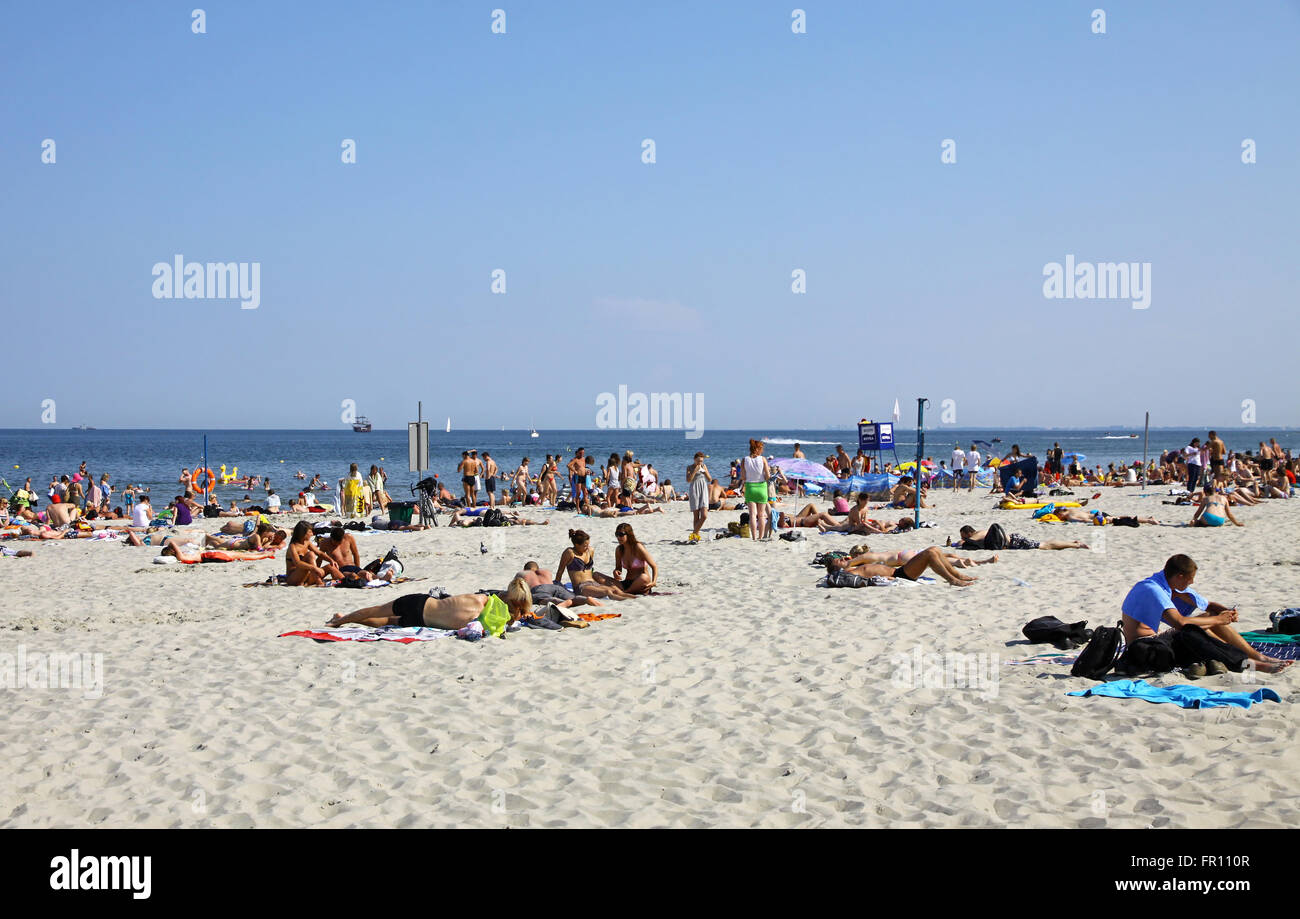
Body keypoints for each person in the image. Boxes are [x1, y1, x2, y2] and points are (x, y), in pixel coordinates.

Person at [1121, 554, 1291, 673]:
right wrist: (1218, 619)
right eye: (1190, 578)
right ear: (1180, 576)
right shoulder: (1153, 589)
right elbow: (1180, 623)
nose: (1192, 582)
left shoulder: (1165, 582)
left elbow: (1206, 604)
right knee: (1191, 631)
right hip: (1145, 646)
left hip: (1158, 640)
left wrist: (1225, 612)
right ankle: (1247, 663)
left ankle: (1256, 656)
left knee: (1205, 620)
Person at [327, 576, 533, 632]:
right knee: (379, 613)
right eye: (519, 610)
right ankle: (341, 620)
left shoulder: (492, 611)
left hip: (421, 619)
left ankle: (341, 620)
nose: (519, 615)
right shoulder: (483, 604)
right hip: (420, 606)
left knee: (382, 620)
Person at [826, 545, 979, 587]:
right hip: (900, 574)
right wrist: (886, 579)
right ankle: (953, 579)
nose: (841, 559)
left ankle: (957, 575)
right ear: (837, 569)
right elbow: (868, 580)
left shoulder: (853, 568)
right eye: (838, 561)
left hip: (900, 571)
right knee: (930, 554)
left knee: (935, 549)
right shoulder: (849, 575)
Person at [554, 529, 636, 600]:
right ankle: (627, 601)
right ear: (576, 545)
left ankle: (636, 599)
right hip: (581, 587)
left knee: (615, 590)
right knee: (607, 592)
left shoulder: (590, 550)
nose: (587, 547)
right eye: (585, 546)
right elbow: (560, 570)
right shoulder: (569, 553)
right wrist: (556, 586)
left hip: (593, 582)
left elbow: (590, 569)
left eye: (588, 544)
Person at [519, 561, 603, 607]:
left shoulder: (523, 574)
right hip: (554, 586)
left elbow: (517, 588)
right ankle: (585, 599)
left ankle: (561, 602)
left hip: (538, 589)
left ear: (525, 569)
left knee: (545, 600)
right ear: (538, 568)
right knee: (573, 597)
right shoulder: (545, 571)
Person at [951, 525, 1087, 551]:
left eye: (963, 536)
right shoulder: (980, 534)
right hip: (1014, 540)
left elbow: (967, 542)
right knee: (1043, 544)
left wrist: (958, 543)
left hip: (1015, 541)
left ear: (968, 533)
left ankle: (1075, 545)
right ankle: (1071, 543)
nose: (962, 538)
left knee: (1045, 546)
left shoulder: (979, 534)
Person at [612, 523, 658, 594]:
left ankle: (625, 592)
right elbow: (618, 568)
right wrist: (616, 572)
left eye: (621, 534)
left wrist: (654, 582)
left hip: (641, 583)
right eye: (616, 534)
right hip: (627, 583)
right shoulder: (619, 549)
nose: (618, 537)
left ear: (629, 534)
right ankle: (625, 591)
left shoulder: (638, 547)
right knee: (596, 575)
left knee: (644, 577)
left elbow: (654, 566)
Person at [741, 439, 771, 541]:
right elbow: (767, 476)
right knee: (761, 515)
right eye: (762, 449)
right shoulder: (762, 459)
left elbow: (743, 477)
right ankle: (760, 537)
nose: (762, 451)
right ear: (758, 449)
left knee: (752, 515)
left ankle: (754, 537)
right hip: (761, 488)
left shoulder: (744, 460)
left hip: (750, 488)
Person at [687, 452, 713, 538]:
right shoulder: (689, 467)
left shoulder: (704, 466)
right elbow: (688, 480)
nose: (699, 463)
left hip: (703, 489)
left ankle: (694, 533)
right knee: (696, 516)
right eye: (698, 461)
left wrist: (704, 471)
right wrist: (695, 471)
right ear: (694, 459)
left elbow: (709, 479)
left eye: (701, 461)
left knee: (704, 515)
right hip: (694, 489)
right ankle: (696, 536)